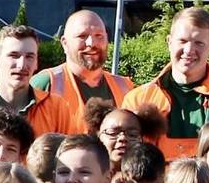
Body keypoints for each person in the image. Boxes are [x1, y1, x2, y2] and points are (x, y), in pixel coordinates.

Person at [121, 8, 209, 160]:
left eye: (199, 43)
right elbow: (127, 160)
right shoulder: (137, 100)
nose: (189, 50)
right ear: (169, 42)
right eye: (183, 41)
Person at [17, 9, 130, 137]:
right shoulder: (46, 83)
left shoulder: (126, 87)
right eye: (82, 36)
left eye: (99, 36)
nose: (91, 43)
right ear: (65, 43)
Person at [0, 24, 50, 122]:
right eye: (14, 55)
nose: (21, 65)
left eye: (29, 57)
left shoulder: (57, 109)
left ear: (36, 63)